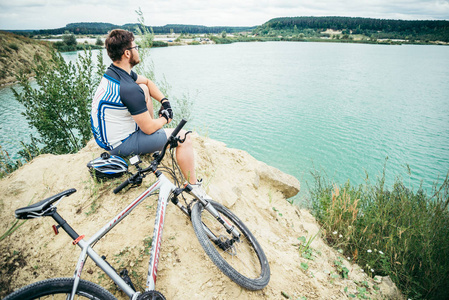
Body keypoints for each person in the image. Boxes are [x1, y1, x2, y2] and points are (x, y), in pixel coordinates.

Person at [91, 29, 200, 187]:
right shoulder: (128, 89)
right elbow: (148, 128)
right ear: (127, 53)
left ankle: (155, 138)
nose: (137, 50)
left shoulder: (115, 73)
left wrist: (165, 101)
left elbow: (147, 82)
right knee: (184, 137)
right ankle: (193, 186)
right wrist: (165, 118)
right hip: (120, 145)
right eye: (136, 47)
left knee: (143, 87)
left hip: (107, 137)